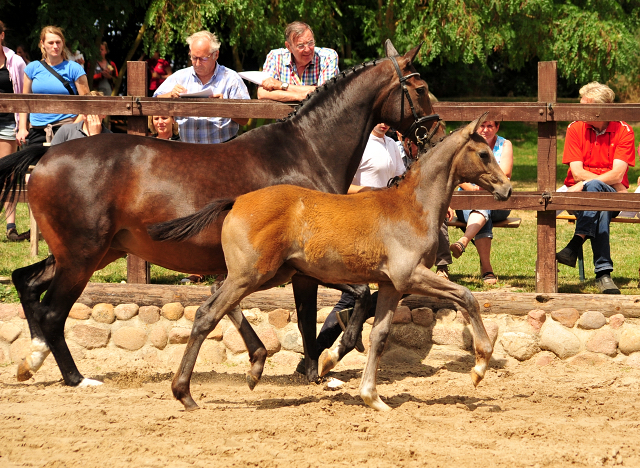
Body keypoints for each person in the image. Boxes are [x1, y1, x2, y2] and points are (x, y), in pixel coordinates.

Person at [303, 123, 405, 369]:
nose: (383, 123)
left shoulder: (392, 145)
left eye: (386, 120)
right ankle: (311, 359)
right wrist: (367, 191)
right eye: (378, 119)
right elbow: (336, 185)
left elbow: (401, 181)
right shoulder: (356, 145)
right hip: (356, 224)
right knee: (352, 295)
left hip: (385, 225)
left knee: (406, 282)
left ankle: (351, 322)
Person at [556, 82, 635, 294]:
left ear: (602, 109)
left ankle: (575, 243)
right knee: (599, 208)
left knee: (595, 191)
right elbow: (576, 172)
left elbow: (618, 173)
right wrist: (589, 183)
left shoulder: (624, 130)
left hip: (603, 196)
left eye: (585, 107)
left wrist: (585, 184)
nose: (580, 111)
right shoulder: (575, 128)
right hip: (580, 198)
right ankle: (603, 274)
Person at [154, 31, 249, 144]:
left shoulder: (231, 79)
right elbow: (154, 102)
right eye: (194, 57)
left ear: (216, 55)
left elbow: (245, 119)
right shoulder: (180, 77)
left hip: (221, 152)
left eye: (203, 58)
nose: (197, 63)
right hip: (187, 150)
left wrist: (225, 108)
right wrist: (170, 95)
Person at [450, 120, 513, 285]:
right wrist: (472, 190)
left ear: (497, 127)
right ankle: (487, 270)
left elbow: (505, 173)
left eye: (490, 126)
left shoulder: (505, 144)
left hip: (499, 200)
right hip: (468, 199)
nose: (485, 129)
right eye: (482, 125)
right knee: (481, 208)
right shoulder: (466, 144)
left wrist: (483, 189)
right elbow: (456, 173)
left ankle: (464, 240)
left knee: (483, 205)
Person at [16, 26, 90, 147]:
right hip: (37, 129)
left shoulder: (74, 68)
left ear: (63, 43)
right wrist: (22, 128)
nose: (55, 46)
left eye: (58, 42)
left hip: (66, 127)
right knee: (34, 165)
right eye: (50, 42)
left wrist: (72, 128)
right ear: (42, 44)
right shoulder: (32, 68)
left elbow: (87, 104)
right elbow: (24, 101)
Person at [396, 129, 453, 280]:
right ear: (399, 135)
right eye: (407, 139)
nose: (412, 143)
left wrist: (445, 204)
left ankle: (442, 266)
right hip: (398, 199)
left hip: (423, 201)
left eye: (414, 141)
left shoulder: (427, 153)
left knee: (438, 218)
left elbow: (436, 183)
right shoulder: (394, 150)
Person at [257, 21, 339, 102]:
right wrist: (300, 96)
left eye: (310, 43)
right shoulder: (275, 57)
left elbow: (326, 92)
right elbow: (262, 93)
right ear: (289, 47)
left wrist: (281, 85)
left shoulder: (327, 57)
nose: (307, 49)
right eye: (301, 46)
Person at [0, 20, 28, 241]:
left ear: (1, 35)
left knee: (7, 174)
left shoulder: (15, 61)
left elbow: (23, 94)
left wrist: (22, 126)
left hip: (8, 123)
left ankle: (11, 225)